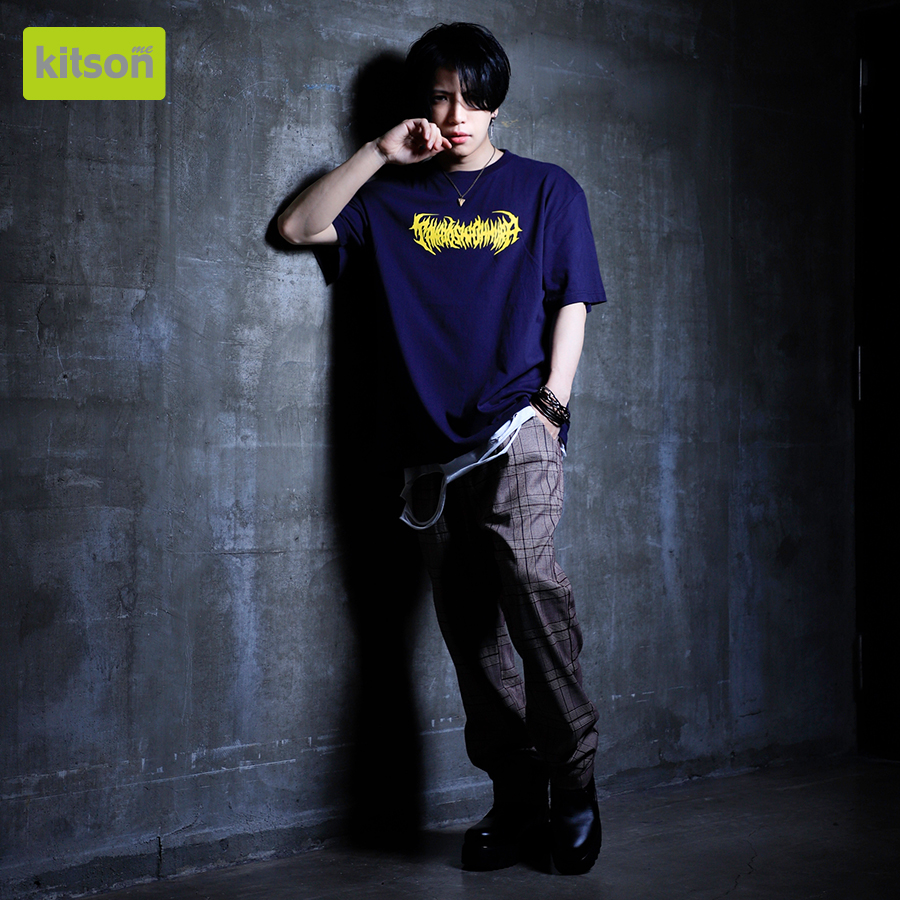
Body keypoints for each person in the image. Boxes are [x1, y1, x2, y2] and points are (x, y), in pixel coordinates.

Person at [278, 22, 606, 874]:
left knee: (532, 588)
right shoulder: (389, 200)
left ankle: (574, 784)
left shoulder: (546, 189)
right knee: (472, 634)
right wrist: (377, 153)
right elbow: (299, 226)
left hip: (515, 430)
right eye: (439, 98)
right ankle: (516, 795)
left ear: (496, 100)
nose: (457, 115)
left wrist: (552, 405)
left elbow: (572, 299)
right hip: (427, 456)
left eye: (472, 97)